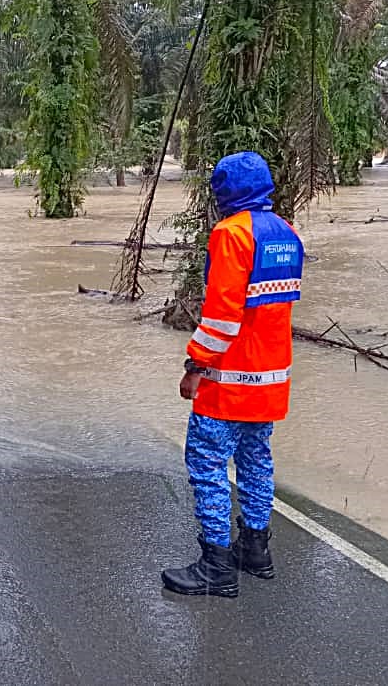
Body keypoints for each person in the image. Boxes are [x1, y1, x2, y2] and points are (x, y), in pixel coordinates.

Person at [161, 151, 304, 598]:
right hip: (271, 378)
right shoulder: (286, 233)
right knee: (256, 460)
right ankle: (256, 552)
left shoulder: (231, 235)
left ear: (225, 195)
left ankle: (216, 565)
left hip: (229, 380)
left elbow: (222, 316)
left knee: (206, 465)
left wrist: (195, 367)